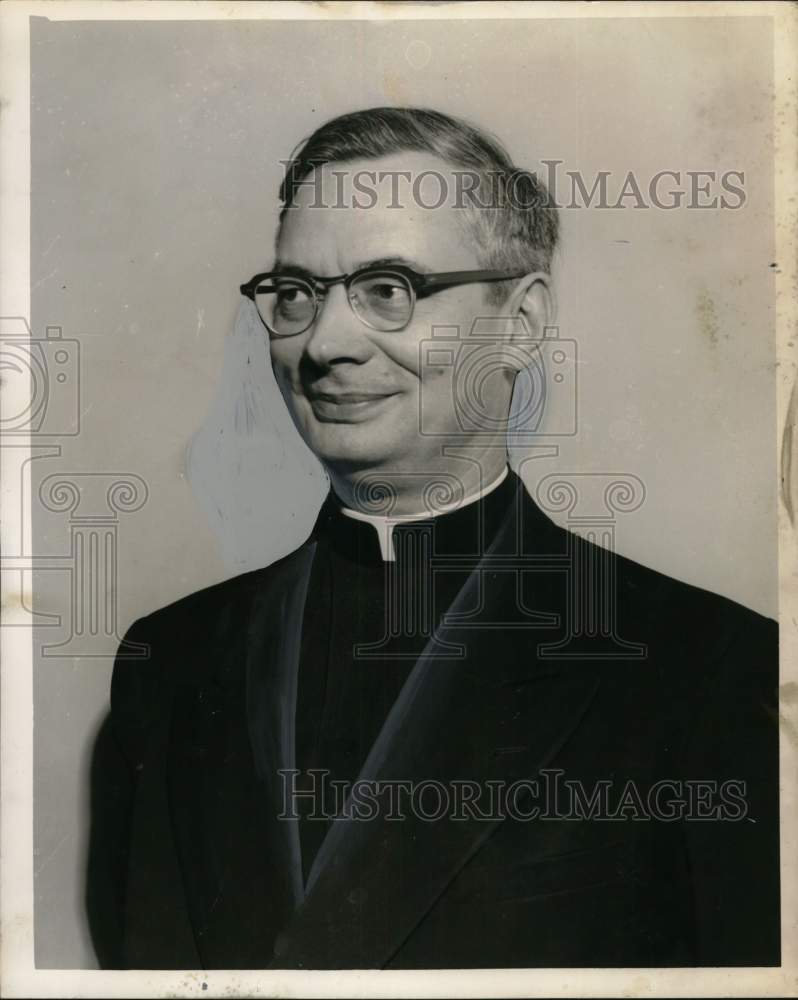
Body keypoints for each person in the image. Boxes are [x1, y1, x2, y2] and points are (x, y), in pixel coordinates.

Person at [87, 107, 780, 970]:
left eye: (389, 289)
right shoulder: (173, 657)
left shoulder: (712, 666)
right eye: (297, 294)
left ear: (521, 324)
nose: (326, 344)